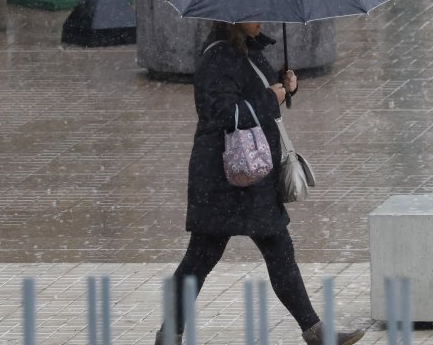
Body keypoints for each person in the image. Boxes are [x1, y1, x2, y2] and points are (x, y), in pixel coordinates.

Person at [155, 22, 365, 345]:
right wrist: (271, 97)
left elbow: (257, 97)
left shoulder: (247, 50)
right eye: (253, 15)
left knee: (277, 248)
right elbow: (224, 113)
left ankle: (315, 331)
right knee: (201, 257)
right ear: (233, 19)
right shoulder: (218, 57)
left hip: (251, 178)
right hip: (223, 179)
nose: (261, 20)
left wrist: (285, 87)